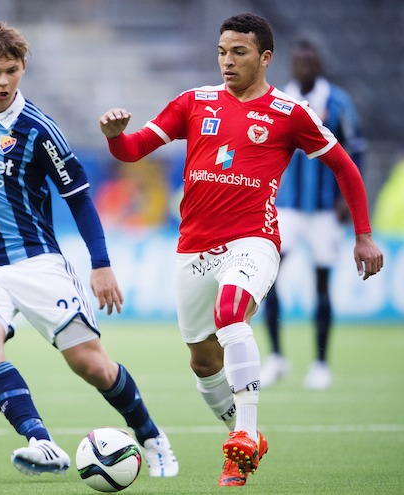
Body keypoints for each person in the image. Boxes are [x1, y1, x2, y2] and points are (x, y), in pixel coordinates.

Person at [99, 13, 383, 487]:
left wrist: (363, 233)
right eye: (221, 52)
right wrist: (114, 137)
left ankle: (245, 440)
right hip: (194, 247)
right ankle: (241, 432)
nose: (226, 62)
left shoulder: (290, 114)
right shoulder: (194, 102)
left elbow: (346, 168)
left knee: (231, 312)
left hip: (254, 241)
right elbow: (132, 151)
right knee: (202, 361)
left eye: (239, 53)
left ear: (265, 57)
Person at [0, 21, 178, 479]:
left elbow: (79, 196)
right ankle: (42, 441)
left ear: (24, 68)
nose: (2, 81)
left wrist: (101, 265)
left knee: (90, 365)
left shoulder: (39, 129)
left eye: (11, 71)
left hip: (36, 261)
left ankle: (151, 435)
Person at [260, 39, 367, 390]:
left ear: (319, 65)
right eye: (299, 61)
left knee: (322, 284)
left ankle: (321, 364)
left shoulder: (338, 103)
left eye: (310, 61)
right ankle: (276, 357)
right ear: (291, 66)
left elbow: (356, 152)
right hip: (286, 207)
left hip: (324, 211)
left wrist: (344, 203)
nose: (304, 67)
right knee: (267, 277)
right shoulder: (279, 100)